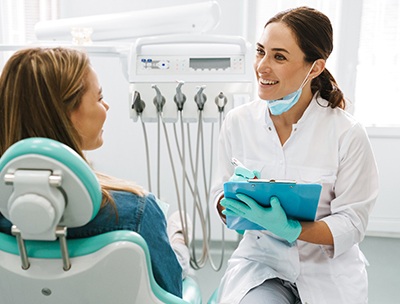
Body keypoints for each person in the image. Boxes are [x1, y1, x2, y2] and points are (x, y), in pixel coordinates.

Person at [210, 6, 379, 304]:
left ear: (314, 68)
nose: (262, 66)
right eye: (260, 51)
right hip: (262, 267)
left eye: (279, 56)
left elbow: (353, 224)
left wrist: (292, 229)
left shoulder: (347, 134)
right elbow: (218, 198)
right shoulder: (238, 122)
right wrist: (230, 202)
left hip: (327, 275)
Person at [0, 47, 190, 298]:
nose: (107, 106)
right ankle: (177, 231)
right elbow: (171, 294)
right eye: (99, 98)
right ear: (65, 113)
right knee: (179, 240)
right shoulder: (136, 212)